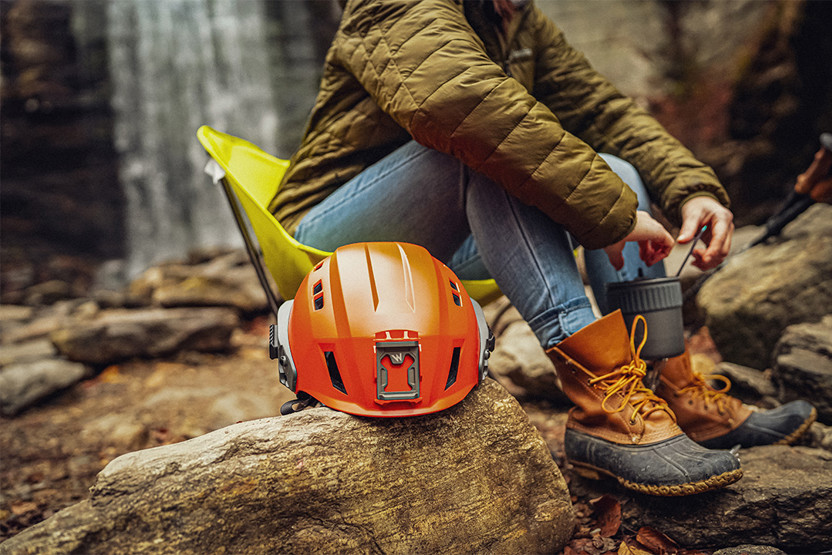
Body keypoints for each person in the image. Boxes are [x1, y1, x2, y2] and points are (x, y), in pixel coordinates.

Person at [269, 0, 815, 495]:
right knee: (482, 146)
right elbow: (460, 100)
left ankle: (663, 383)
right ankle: (599, 403)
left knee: (616, 168)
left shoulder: (515, 17)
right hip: (327, 251)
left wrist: (691, 187)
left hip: (438, 246)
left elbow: (604, 114)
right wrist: (615, 215)